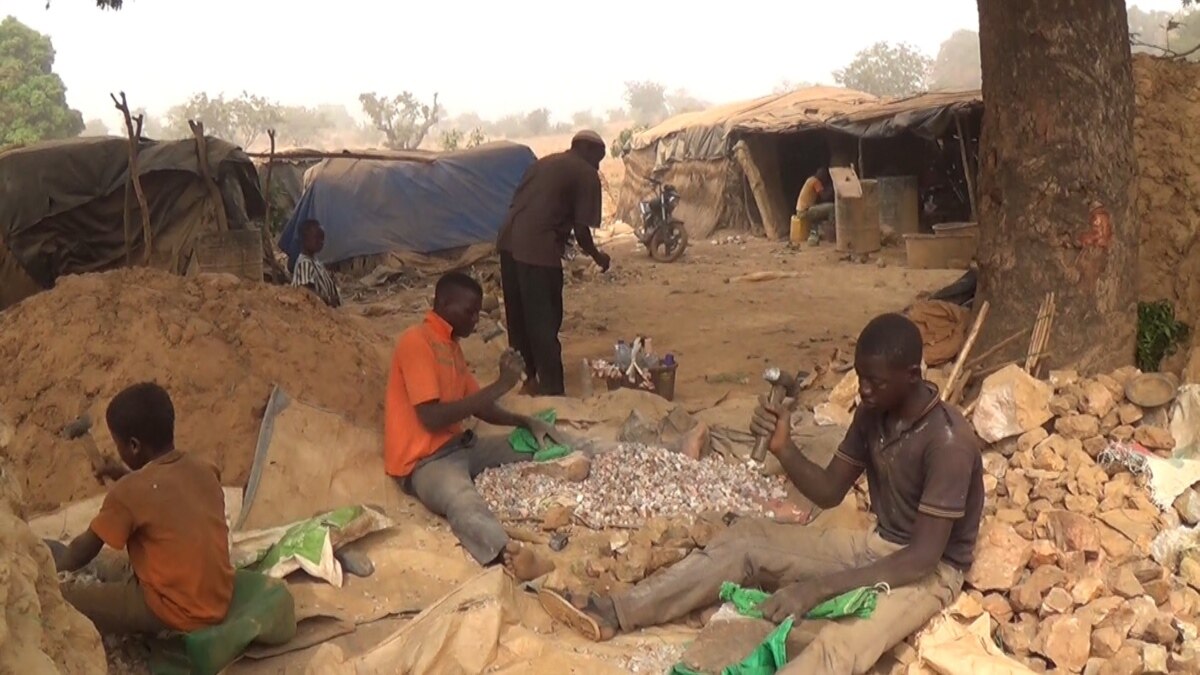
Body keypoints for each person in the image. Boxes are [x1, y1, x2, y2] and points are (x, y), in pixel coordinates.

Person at [538, 313, 984, 674]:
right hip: (879, 546)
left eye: (877, 382)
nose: (864, 390)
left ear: (912, 375)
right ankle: (616, 612)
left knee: (841, 645)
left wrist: (818, 588)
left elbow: (922, 558)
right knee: (748, 540)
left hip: (930, 570)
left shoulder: (948, 441)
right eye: (861, 377)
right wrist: (784, 449)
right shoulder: (874, 411)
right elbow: (828, 491)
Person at [385, 271, 570, 566]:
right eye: (469, 311)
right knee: (461, 498)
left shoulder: (451, 347)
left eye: (477, 312)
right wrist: (501, 384)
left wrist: (525, 422)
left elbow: (480, 407)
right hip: (424, 462)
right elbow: (431, 417)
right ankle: (505, 553)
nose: (475, 320)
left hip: (459, 447)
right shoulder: (416, 342)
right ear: (443, 303)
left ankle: (596, 448)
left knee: (530, 443)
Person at [46, 382, 234, 635]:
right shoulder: (204, 469)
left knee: (63, 596)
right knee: (109, 565)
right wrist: (125, 475)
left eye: (119, 444)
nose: (118, 451)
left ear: (134, 446)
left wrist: (48, 575)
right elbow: (162, 494)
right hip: (216, 597)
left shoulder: (130, 493)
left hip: (175, 611)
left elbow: (82, 552)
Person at [495, 130, 612, 396]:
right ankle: (552, 389)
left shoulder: (542, 163)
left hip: (508, 241)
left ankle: (528, 379)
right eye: (599, 158)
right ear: (588, 150)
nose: (598, 165)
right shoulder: (584, 172)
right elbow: (582, 231)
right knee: (543, 322)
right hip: (538, 248)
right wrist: (598, 256)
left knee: (519, 318)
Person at [292, 219, 341, 308]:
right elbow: (306, 291)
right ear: (305, 239)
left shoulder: (315, 261)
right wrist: (328, 300)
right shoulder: (305, 263)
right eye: (317, 237)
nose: (321, 242)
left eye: (322, 238)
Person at [796, 168, 835, 244]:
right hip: (805, 211)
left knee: (823, 208)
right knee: (831, 207)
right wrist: (833, 188)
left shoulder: (810, 180)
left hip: (801, 210)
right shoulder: (816, 182)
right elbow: (824, 196)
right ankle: (832, 232)